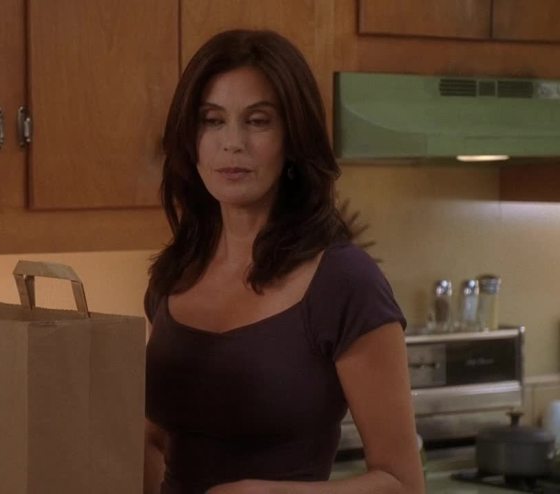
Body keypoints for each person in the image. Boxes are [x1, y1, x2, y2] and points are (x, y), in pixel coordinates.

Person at [143, 29, 424, 494]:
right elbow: (154, 440)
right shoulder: (175, 272)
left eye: (257, 121)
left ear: (293, 137)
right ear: (190, 139)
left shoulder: (344, 281)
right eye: (212, 120)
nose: (232, 143)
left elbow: (402, 483)